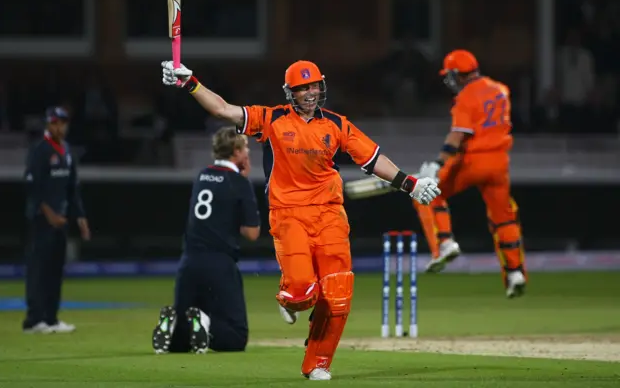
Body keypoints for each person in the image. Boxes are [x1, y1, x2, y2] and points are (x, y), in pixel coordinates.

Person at [161, 59, 441, 380]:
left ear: (321, 86)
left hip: (330, 215)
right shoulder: (272, 119)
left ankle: (317, 363)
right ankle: (290, 297)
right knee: (302, 292)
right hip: (289, 213)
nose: (309, 93)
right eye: (301, 88)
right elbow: (224, 109)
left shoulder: (337, 124)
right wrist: (190, 83)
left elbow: (374, 159)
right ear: (289, 92)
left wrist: (411, 185)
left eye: (313, 86)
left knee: (337, 295)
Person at [416, 49, 527, 298]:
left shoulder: (466, 97)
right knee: (504, 217)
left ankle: (444, 244)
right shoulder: (501, 90)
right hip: (500, 163)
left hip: (474, 160)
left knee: (429, 193)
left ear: (458, 74)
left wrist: (437, 163)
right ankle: (515, 272)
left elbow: (458, 136)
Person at [152, 127, 260, 355]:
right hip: (219, 263)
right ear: (237, 151)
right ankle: (204, 323)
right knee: (235, 337)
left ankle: (175, 330)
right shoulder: (239, 183)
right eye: (246, 148)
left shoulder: (202, 176)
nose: (248, 152)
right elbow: (252, 233)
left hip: (189, 262)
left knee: (182, 343)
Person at [23, 106, 91, 333]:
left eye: (62, 122)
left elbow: (73, 187)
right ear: (48, 125)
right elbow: (33, 186)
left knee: (55, 271)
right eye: (54, 123)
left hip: (61, 221)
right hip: (42, 221)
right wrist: (49, 214)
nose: (59, 127)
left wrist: (80, 216)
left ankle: (51, 318)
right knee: (39, 270)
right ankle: (34, 320)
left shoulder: (67, 151)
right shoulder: (40, 150)